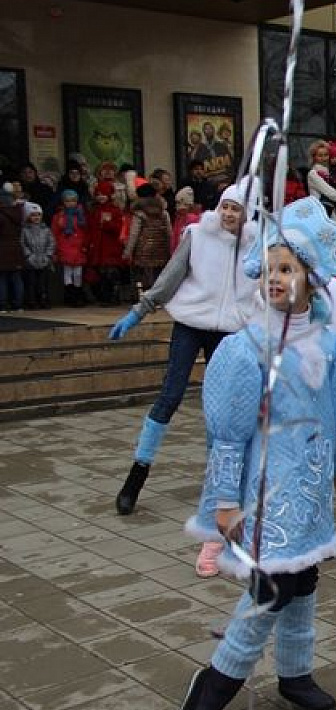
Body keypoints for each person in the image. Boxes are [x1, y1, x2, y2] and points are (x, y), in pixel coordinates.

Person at [177, 195, 336, 710]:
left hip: (311, 491)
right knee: (269, 590)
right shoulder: (245, 350)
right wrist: (224, 503)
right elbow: (228, 437)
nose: (275, 278)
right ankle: (213, 684)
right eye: (270, 267)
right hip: (265, 496)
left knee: (303, 581)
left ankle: (296, 673)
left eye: (288, 268)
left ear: (312, 278)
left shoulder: (329, 346)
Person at [108, 179, 261, 521]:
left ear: (246, 213)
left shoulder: (256, 245)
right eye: (225, 206)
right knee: (170, 395)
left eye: (236, 209)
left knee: (221, 407)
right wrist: (139, 311)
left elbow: (265, 289)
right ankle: (136, 475)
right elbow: (170, 277)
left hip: (231, 332)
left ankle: (218, 485)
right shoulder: (197, 234)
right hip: (191, 323)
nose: (228, 214)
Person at [125, 186, 173, 293]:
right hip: (161, 249)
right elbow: (169, 233)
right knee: (158, 274)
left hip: (143, 249)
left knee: (144, 276)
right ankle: (158, 297)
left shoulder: (139, 213)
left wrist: (128, 252)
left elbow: (134, 234)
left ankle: (146, 297)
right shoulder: (164, 213)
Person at [87, 180, 128, 306]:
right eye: (98, 194)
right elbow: (90, 229)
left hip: (111, 249)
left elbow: (118, 228)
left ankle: (113, 297)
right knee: (101, 275)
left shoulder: (115, 211)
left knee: (111, 274)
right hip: (98, 248)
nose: (101, 197)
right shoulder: (94, 211)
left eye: (103, 194)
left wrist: (107, 224)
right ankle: (104, 298)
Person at [52, 189, 90, 307]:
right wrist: (55, 249)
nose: (70, 203)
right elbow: (55, 233)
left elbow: (86, 231)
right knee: (68, 273)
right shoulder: (59, 216)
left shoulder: (81, 215)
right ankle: (70, 296)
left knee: (78, 273)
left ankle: (78, 295)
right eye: (67, 201)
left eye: (73, 200)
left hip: (79, 247)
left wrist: (85, 245)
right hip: (65, 247)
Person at [20, 202, 53, 310]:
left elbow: (51, 243)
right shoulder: (25, 230)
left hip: (44, 260)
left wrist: (48, 256)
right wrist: (29, 256)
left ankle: (43, 300)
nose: (36, 217)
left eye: (38, 215)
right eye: (33, 215)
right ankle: (31, 301)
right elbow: (22, 243)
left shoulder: (46, 229)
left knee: (43, 284)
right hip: (31, 262)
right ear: (28, 216)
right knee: (31, 283)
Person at [306, 140, 336, 221]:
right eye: (320, 155)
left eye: (326, 155)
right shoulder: (313, 173)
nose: (324, 158)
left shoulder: (331, 172)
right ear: (314, 157)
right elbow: (330, 192)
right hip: (321, 211)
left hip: (332, 211)